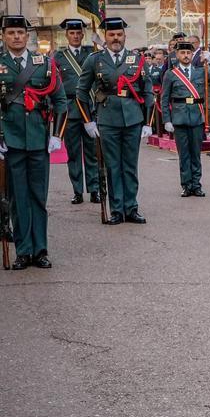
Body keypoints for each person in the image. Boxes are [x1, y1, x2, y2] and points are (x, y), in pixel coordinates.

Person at [0, 14, 66, 270]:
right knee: (17, 198)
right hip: (12, 141)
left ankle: (40, 250)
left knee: (38, 196)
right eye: (11, 33)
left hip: (39, 140)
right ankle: (23, 251)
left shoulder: (45, 64)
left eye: (20, 33)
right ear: (4, 37)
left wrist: (56, 135)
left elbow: (60, 100)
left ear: (27, 36)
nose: (16, 37)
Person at [77, 16, 154, 225]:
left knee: (130, 165)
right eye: (111, 35)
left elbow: (148, 92)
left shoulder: (137, 59)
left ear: (125, 36)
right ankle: (117, 210)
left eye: (119, 34)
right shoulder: (95, 60)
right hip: (107, 119)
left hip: (132, 119)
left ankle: (131, 208)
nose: (116, 38)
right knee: (112, 166)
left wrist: (148, 122)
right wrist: (88, 121)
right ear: (105, 36)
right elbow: (81, 92)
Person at [159, 40, 210, 198]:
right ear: (177, 55)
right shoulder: (170, 74)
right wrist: (166, 120)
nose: (186, 55)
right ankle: (186, 185)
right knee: (184, 155)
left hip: (197, 116)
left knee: (196, 153)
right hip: (179, 117)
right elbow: (164, 98)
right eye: (182, 53)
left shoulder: (200, 71)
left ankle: (196, 185)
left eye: (188, 53)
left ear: (192, 54)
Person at [54, 18, 100, 205]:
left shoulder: (93, 53)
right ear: (67, 35)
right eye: (71, 33)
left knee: (92, 152)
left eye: (78, 33)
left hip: (89, 108)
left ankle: (94, 189)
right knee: (73, 153)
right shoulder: (58, 57)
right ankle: (77, 190)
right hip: (71, 110)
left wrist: (101, 42)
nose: (75, 36)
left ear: (83, 34)